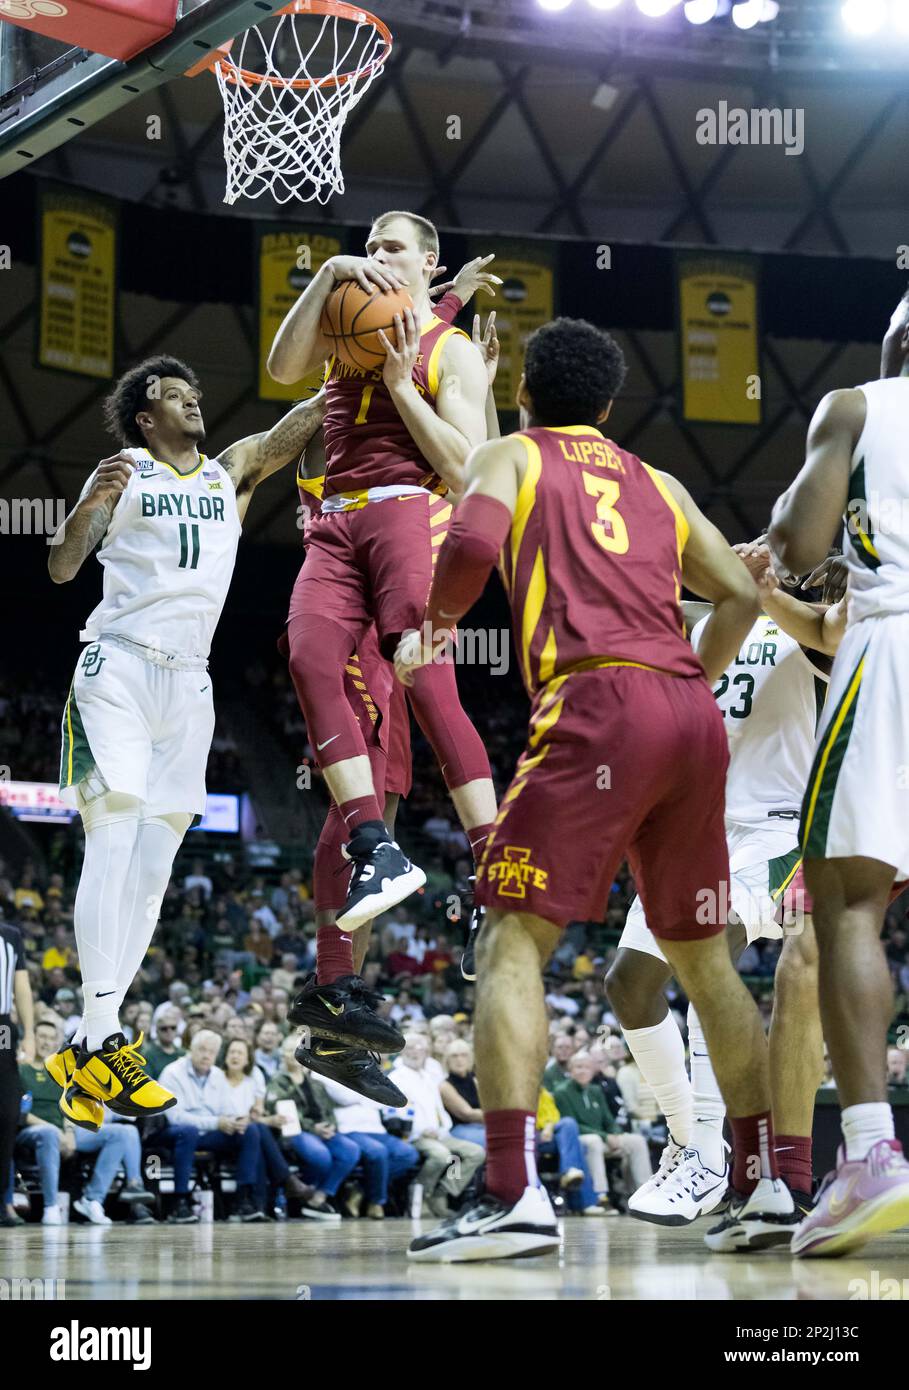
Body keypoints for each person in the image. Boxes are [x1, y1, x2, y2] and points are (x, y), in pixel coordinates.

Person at [397, 315, 793, 1262]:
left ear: (526, 391)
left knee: (508, 940)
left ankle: (510, 1193)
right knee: (702, 960)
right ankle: (766, 1182)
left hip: (595, 706)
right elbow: (738, 594)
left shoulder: (513, 453)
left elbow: (470, 547)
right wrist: (686, 674)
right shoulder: (657, 481)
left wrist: (437, 624)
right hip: (691, 722)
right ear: (611, 407)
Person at [46, 355, 326, 1130]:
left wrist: (356, 373)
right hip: (119, 672)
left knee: (154, 870)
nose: (195, 402)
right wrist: (84, 509)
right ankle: (103, 1038)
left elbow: (288, 432)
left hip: (191, 685)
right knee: (112, 839)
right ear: (145, 415)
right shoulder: (125, 471)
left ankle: (85, 1043)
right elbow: (63, 566)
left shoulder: (226, 474)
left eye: (196, 392)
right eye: (177, 395)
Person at [283, 271, 501, 1102]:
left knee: (385, 814)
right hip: (360, 630)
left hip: (402, 596)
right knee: (358, 815)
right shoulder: (329, 426)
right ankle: (337, 1000)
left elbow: (457, 438)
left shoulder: (423, 374)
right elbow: (304, 384)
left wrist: (446, 305)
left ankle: (344, 1006)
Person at [604, 549, 842, 1227]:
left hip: (773, 837)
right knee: (628, 982)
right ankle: (689, 1141)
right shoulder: (700, 624)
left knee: (711, 947)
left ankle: (713, 1151)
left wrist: (761, 587)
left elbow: (821, 626)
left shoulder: (807, 632)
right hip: (696, 827)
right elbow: (637, 605)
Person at [767, 288, 909, 1256]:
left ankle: (869, 1152)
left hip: (893, 647)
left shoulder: (860, 405)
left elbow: (796, 547)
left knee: (851, 903)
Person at [159, 1030, 266, 1223]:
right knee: (189, 1131)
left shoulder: (218, 1075)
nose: (206, 1055)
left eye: (212, 1051)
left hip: (209, 1134)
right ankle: (179, 1202)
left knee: (250, 1130)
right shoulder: (172, 1073)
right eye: (202, 1049)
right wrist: (216, 1122)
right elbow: (175, 1117)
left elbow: (226, 1110)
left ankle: (241, 1200)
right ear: (191, 1049)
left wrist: (235, 1121)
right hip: (176, 1133)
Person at [390, 1033, 484, 1220]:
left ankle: (442, 1192)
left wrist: (442, 1129)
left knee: (475, 1153)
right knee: (442, 1156)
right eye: (410, 1048)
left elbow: (439, 1111)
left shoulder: (429, 1077)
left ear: (426, 1052)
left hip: (439, 1134)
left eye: (420, 1048)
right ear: (402, 1051)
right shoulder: (396, 1077)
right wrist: (421, 1130)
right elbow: (395, 1111)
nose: (415, 1052)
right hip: (414, 1135)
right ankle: (421, 1195)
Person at [264, 1038, 360, 1221]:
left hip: (322, 1131)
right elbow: (284, 1113)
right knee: (321, 1155)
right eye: (288, 1051)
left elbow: (329, 1111)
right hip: (296, 1131)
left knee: (351, 1150)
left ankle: (321, 1195)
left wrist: (331, 1126)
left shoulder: (316, 1082)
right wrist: (313, 1127)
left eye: (297, 1050)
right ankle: (305, 1194)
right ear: (282, 1055)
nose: (293, 1055)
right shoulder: (278, 1082)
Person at [221, 1037, 311, 1212]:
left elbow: (257, 1113)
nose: (235, 1056)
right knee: (258, 1131)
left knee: (256, 1134)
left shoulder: (254, 1076)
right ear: (225, 1056)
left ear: (248, 1058)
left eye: (240, 1053)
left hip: (249, 1130)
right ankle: (285, 1181)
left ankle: (256, 1206)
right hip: (224, 1130)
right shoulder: (217, 1077)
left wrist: (259, 1119)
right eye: (232, 1052)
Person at [552, 1052, 652, 1206]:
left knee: (637, 1141)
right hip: (582, 1139)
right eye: (578, 1067)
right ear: (571, 1070)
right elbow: (572, 1125)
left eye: (587, 1067)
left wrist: (616, 1134)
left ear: (593, 1070)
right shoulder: (561, 1092)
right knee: (594, 1142)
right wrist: (606, 1137)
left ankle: (643, 1193)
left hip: (604, 1137)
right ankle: (601, 1195)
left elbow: (608, 1119)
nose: (582, 1071)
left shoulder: (596, 1090)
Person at [1, 920, 34, 1227]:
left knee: (7, 1114)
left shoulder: (10, 934)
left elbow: (21, 987)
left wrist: (29, 1034)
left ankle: (4, 1201)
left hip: (1, 1027)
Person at [535, 1086, 608, 1217]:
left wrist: (549, 1127)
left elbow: (553, 1116)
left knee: (569, 1125)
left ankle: (570, 1171)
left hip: (549, 1132)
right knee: (577, 1145)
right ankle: (586, 1203)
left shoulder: (544, 1093)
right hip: (531, 1133)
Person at [440, 1039, 485, 1148]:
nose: (459, 1060)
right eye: (454, 1056)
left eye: (464, 1055)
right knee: (491, 1139)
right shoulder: (445, 1086)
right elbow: (467, 1114)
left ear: (470, 1058)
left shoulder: (475, 1080)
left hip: (480, 1125)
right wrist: (496, 1115)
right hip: (459, 1128)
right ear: (447, 1060)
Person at [142, 1011, 185, 1079]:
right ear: (157, 1031)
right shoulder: (148, 1054)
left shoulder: (182, 1054)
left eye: (173, 1028)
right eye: (164, 1029)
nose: (169, 1031)